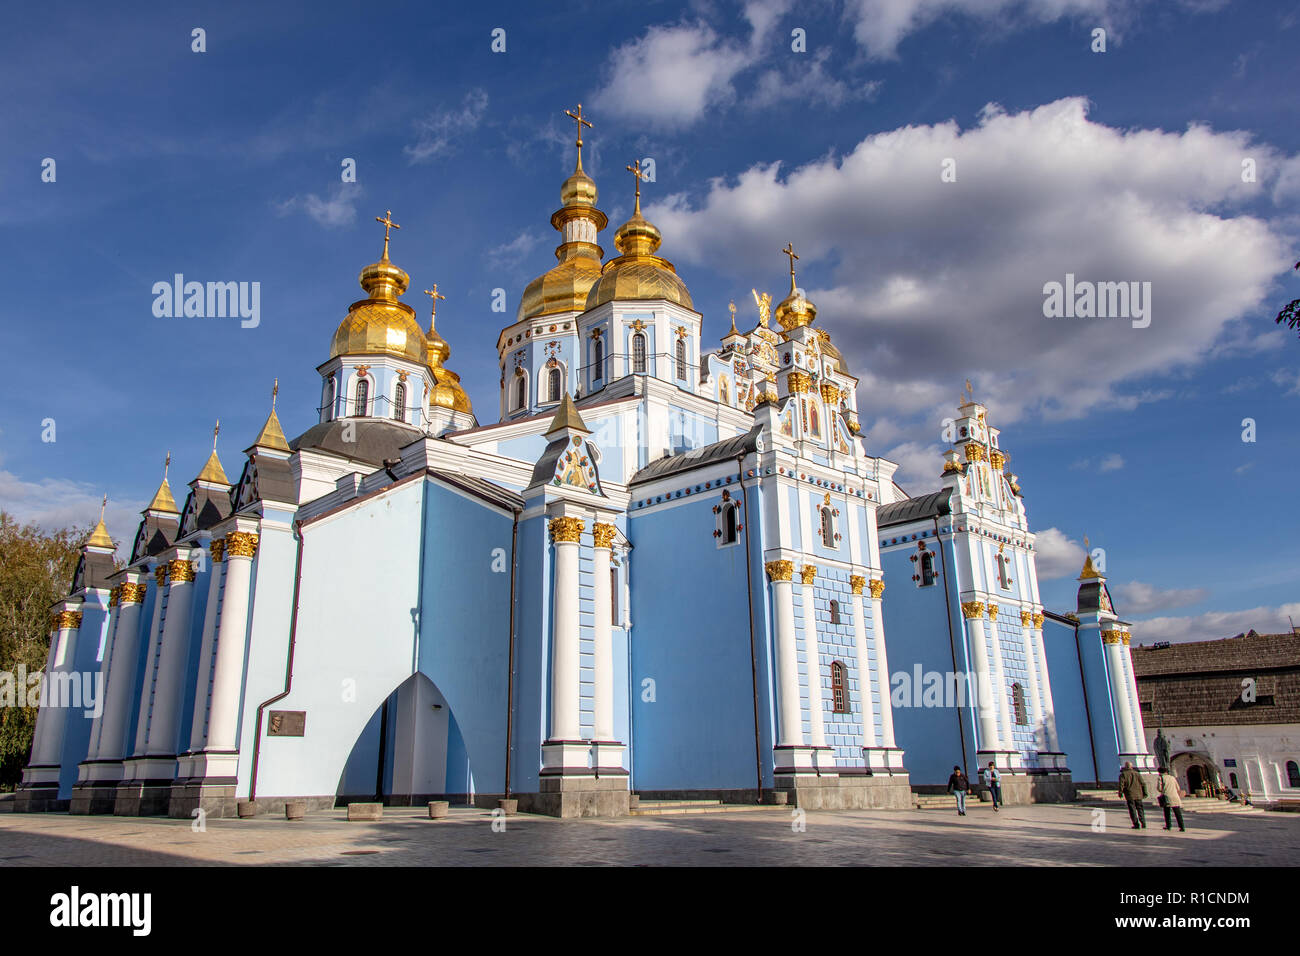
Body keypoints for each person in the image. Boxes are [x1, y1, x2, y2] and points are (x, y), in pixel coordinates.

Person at [1118, 761, 1147, 829]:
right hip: (1138, 794)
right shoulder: (1137, 774)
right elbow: (1143, 783)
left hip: (1129, 795)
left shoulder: (1123, 774)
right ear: (1131, 766)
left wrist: (1120, 792)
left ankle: (1136, 824)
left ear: (1125, 767)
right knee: (1140, 809)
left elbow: (1121, 784)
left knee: (1132, 809)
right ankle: (1143, 822)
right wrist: (1145, 792)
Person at [1157, 765, 1186, 832]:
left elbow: (1159, 788)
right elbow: (1178, 788)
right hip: (1175, 796)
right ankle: (1182, 826)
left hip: (1166, 796)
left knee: (1167, 812)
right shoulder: (1172, 778)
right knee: (1177, 813)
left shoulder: (1161, 778)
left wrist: (1163, 790)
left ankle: (1168, 825)